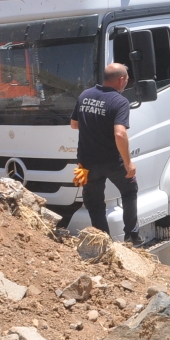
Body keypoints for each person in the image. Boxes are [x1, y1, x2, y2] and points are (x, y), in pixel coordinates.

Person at [60, 63, 142, 247]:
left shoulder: (85, 95)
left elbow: (74, 124)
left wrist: (94, 127)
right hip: (112, 162)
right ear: (120, 80)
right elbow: (120, 134)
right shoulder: (119, 101)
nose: (126, 83)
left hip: (86, 163)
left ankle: (103, 242)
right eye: (127, 80)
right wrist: (128, 163)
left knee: (94, 203)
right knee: (129, 190)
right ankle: (131, 236)